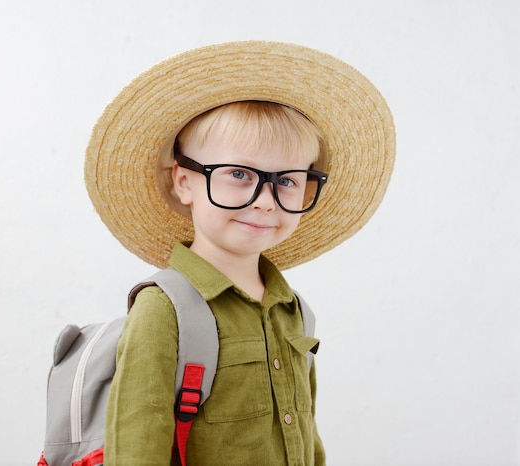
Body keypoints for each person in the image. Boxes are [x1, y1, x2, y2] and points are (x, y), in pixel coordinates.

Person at [84, 41, 395, 466]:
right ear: (184, 181)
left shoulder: (293, 310)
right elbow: (136, 450)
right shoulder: (164, 309)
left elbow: (306, 439)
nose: (266, 200)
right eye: (238, 174)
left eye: (287, 180)